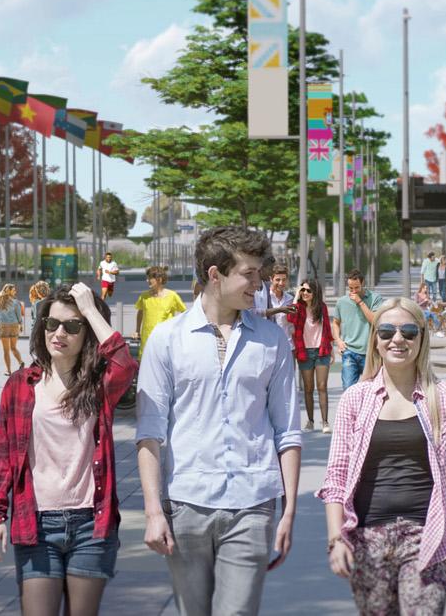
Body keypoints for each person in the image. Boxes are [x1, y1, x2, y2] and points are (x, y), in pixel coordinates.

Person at [135, 225, 306, 616]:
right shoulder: (167, 339)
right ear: (215, 274)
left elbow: (288, 431)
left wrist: (289, 511)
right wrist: (153, 512)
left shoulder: (272, 340)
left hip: (253, 501)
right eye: (249, 274)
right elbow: (149, 433)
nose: (258, 283)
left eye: (260, 274)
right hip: (186, 503)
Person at [0, 282, 140, 616]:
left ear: (87, 333)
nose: (59, 333)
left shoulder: (99, 385)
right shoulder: (21, 385)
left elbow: (124, 364)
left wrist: (92, 310)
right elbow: (2, 454)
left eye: (72, 326)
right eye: (52, 324)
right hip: (35, 523)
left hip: (91, 525)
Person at [320, 297, 446, 614]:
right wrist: (335, 539)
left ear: (422, 338)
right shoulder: (356, 399)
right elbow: (336, 478)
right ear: (375, 340)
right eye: (387, 332)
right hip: (368, 539)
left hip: (426, 536)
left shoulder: (444, 397)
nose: (398, 339)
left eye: (409, 332)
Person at [289, 278, 337, 433]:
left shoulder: (321, 307)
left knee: (322, 387)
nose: (305, 293)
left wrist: (332, 348)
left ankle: (325, 422)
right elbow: (290, 318)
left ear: (315, 292)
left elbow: (327, 329)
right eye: (303, 290)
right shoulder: (299, 308)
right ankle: (310, 421)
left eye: (308, 290)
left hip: (321, 350)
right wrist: (296, 297)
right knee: (308, 388)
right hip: (304, 351)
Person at [336, 272, 377, 390]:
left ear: (363, 283)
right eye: (350, 288)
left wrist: (360, 302)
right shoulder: (342, 302)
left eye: (357, 287)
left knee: (371, 391)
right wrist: (338, 340)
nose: (353, 291)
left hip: (369, 353)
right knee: (348, 390)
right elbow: (335, 323)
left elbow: (374, 320)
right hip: (349, 352)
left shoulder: (375, 298)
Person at [133, 266, 185, 356]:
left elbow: (184, 313)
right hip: (147, 340)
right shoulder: (144, 296)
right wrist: (137, 330)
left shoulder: (172, 296)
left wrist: (179, 329)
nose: (147, 280)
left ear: (159, 279)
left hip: (165, 340)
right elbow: (140, 312)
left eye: (150, 278)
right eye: (147, 278)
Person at [0, 282, 26, 375]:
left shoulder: (0, 300)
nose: (15, 291)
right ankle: (20, 362)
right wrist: (21, 325)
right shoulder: (16, 302)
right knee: (13, 347)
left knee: (6, 350)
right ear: (9, 291)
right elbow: (19, 315)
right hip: (14, 326)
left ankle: (8, 370)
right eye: (14, 290)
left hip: (4, 326)